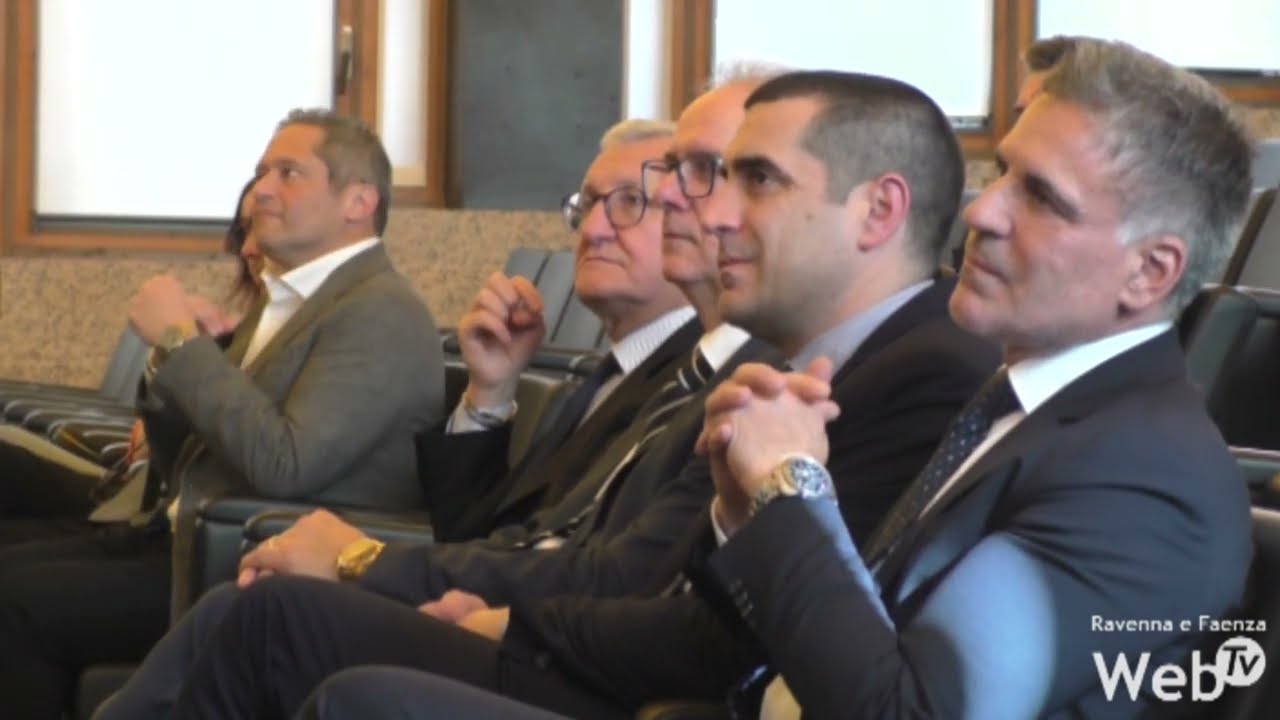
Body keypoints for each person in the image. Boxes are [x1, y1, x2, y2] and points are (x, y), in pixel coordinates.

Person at [122, 70, 1001, 720]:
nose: (708, 211)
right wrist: (491, 397)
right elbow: (536, 532)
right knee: (262, 614)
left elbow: (708, 621)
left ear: (879, 212)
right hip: (594, 644)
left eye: (750, 178)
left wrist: (480, 612)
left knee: (279, 626)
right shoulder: (735, 367)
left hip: (639, 685)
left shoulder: (915, 373)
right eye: (708, 175)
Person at [695, 39, 1254, 718]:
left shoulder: (1145, 481)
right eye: (1002, 172)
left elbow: (909, 712)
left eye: (1041, 197)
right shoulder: (1025, 408)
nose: (981, 211)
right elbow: (858, 643)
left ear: (1149, 273)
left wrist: (788, 488)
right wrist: (749, 513)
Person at [0, 108, 447, 720]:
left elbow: (287, 464)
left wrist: (182, 344)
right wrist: (171, 361)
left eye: (289, 173)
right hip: (186, 533)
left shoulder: (380, 312)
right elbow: (185, 456)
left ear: (358, 201)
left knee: (16, 605)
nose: (262, 189)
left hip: (247, 566)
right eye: (262, 172)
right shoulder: (292, 300)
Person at [416, 120, 700, 544]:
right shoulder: (607, 378)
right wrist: (491, 392)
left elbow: (583, 563)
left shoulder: (697, 383)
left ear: (696, 224)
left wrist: (365, 558)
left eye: (631, 201)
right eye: (589, 204)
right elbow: (470, 536)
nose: (593, 230)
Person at [0, 178, 262, 544]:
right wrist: (165, 359)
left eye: (265, 226)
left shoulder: (291, 344)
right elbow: (161, 430)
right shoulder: (236, 330)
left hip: (160, 511)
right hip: (132, 487)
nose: (251, 247)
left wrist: (180, 343)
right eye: (246, 231)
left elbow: (228, 450)